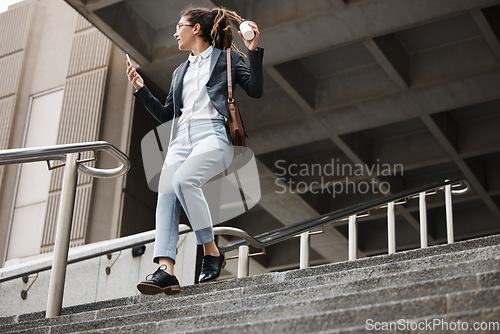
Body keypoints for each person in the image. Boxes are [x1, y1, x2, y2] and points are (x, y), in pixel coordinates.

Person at [125, 6, 263, 295]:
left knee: (184, 180)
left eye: (180, 26)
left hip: (212, 134)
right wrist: (141, 90)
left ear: (196, 29)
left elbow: (255, 89)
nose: (175, 32)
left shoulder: (227, 57)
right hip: (181, 140)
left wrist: (252, 49)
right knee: (167, 191)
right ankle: (166, 270)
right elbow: (167, 116)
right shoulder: (180, 72)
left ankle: (211, 251)